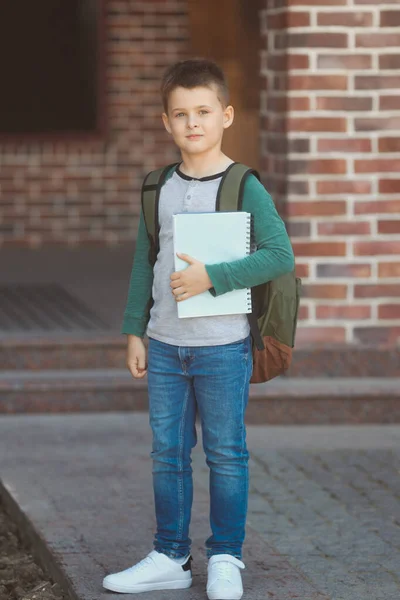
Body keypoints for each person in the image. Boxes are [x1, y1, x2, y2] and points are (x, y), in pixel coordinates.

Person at [103, 58, 295, 600]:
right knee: (167, 452)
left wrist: (212, 276)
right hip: (165, 345)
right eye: (181, 114)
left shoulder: (243, 186)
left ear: (226, 116)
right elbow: (148, 258)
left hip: (223, 347)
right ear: (166, 122)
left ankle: (226, 558)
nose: (193, 123)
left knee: (226, 453)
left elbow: (280, 256)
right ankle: (170, 555)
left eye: (204, 112)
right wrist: (134, 329)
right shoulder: (157, 186)